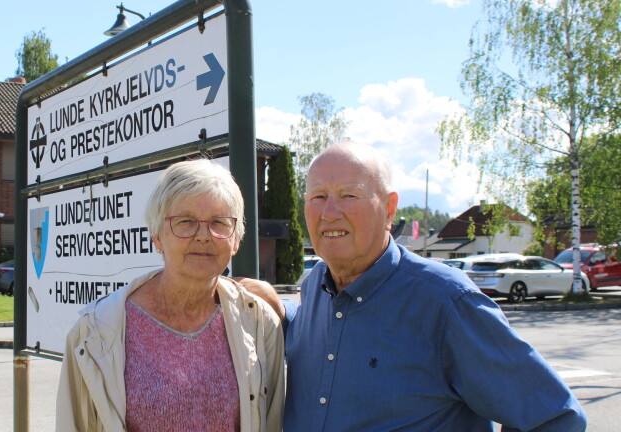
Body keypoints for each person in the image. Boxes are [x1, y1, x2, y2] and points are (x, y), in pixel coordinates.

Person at [248, 142, 586, 431]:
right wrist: (274, 305)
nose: (330, 212)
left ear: (389, 209)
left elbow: (555, 416)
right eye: (318, 197)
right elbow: (316, 333)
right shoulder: (315, 288)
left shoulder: (444, 301)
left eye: (349, 195)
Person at [56, 158, 285, 432]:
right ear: (156, 235)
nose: (203, 235)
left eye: (219, 222)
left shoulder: (259, 323)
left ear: (236, 239)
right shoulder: (94, 332)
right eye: (185, 221)